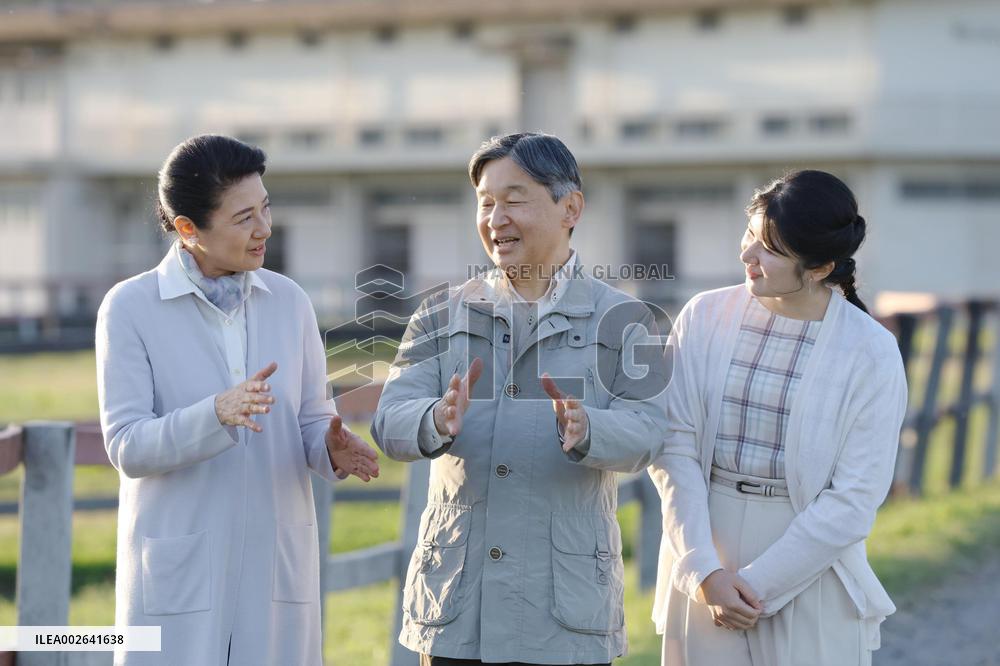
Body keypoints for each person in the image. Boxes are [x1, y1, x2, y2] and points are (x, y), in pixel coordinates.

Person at [371, 132, 670, 665]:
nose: (495, 218)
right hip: (458, 608)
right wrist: (434, 419)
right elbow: (389, 420)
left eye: (514, 200)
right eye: (485, 203)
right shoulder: (441, 315)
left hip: (563, 614)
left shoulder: (625, 320)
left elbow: (649, 430)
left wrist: (589, 430)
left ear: (570, 207)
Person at [96, 134, 379, 666]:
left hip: (274, 569)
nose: (264, 229)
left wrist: (329, 446)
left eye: (266, 208)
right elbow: (127, 445)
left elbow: (313, 419)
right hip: (177, 573)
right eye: (244, 217)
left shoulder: (289, 302)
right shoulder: (130, 308)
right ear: (188, 229)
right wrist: (215, 414)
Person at [648, 170, 907, 666]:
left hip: (810, 561)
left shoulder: (870, 350)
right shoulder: (703, 316)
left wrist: (758, 585)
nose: (748, 255)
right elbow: (673, 446)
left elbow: (856, 496)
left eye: (769, 248)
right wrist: (703, 571)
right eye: (749, 234)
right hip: (705, 546)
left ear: (819, 267)